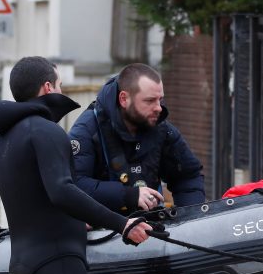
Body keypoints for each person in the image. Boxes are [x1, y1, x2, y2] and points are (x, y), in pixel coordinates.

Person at [0, 56, 152, 274]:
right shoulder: (47, 131)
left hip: (21, 270)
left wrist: (77, 219)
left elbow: (34, 198)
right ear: (48, 88)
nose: (62, 91)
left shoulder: (5, 139)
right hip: (58, 264)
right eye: (61, 84)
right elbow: (61, 191)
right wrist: (123, 224)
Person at [68, 63, 205, 214]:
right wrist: (128, 195)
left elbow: (188, 176)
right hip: (104, 229)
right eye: (150, 101)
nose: (159, 108)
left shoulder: (161, 128)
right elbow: (73, 185)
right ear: (124, 99)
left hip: (151, 226)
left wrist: (189, 219)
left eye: (160, 100)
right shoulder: (87, 129)